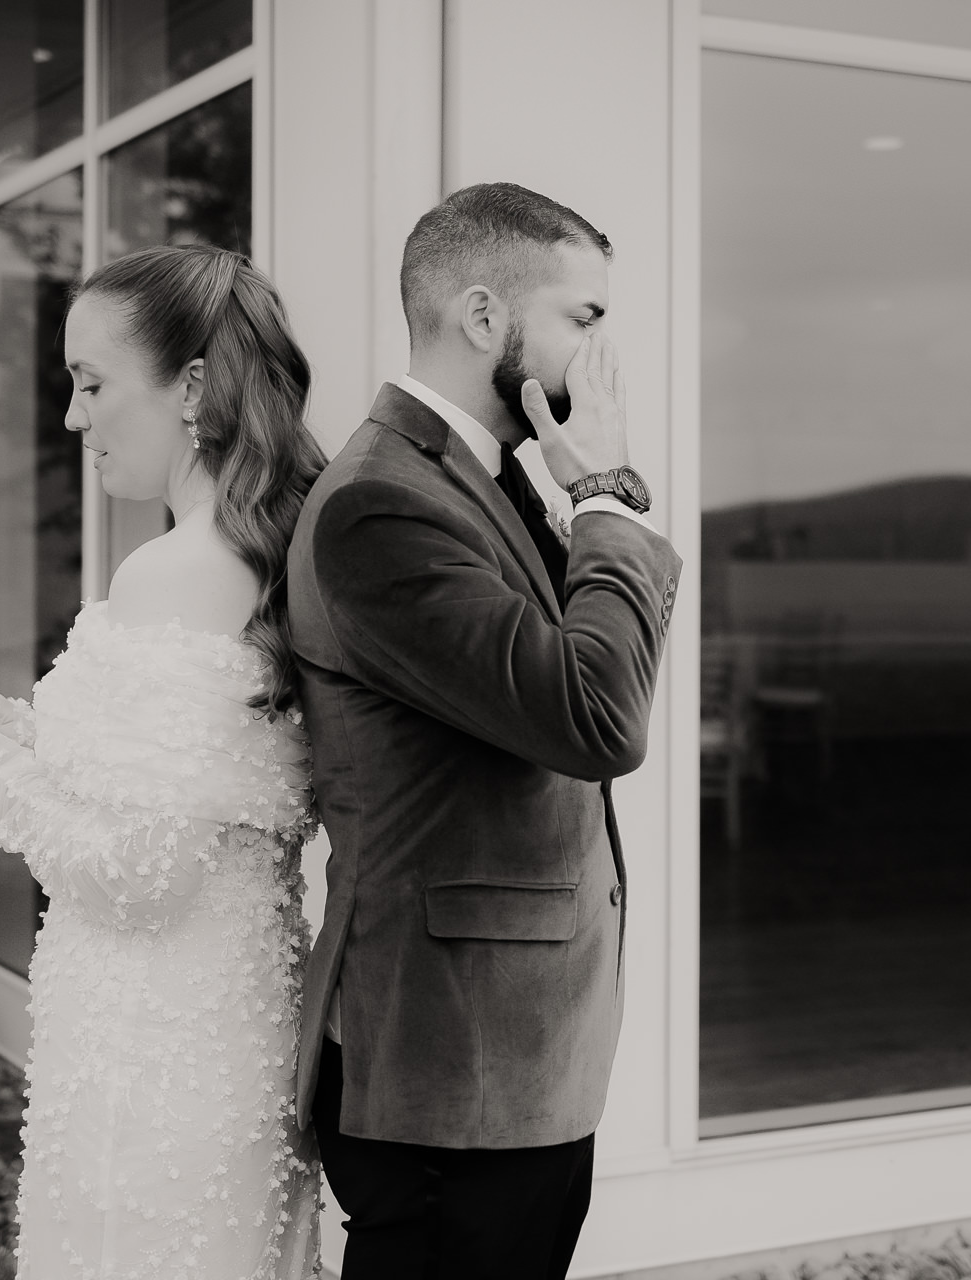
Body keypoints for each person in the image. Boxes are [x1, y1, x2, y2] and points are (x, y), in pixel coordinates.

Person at [0, 243, 329, 1279]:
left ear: (195, 388)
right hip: (231, 1035)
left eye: (91, 385)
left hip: (150, 1052)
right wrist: (23, 729)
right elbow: (202, 777)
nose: (72, 418)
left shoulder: (173, 573)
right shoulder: (274, 551)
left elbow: (144, 867)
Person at [288, 183, 682, 1280]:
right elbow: (596, 717)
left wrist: (588, 496)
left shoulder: (483, 478)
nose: (601, 355)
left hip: (513, 1057)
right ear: (481, 315)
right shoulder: (382, 504)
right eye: (583, 318)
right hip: (449, 1072)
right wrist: (608, 493)